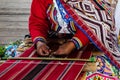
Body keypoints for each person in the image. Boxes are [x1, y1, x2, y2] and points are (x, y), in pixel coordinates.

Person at [29, 0, 120, 60]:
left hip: (90, 40)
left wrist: (72, 44)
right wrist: (40, 42)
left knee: (101, 69)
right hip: (53, 41)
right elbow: (37, 22)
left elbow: (98, 23)